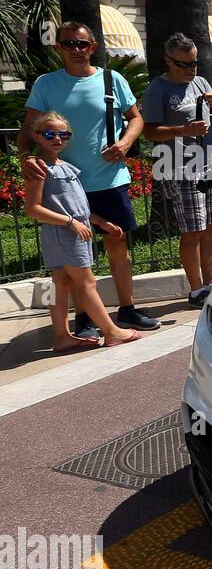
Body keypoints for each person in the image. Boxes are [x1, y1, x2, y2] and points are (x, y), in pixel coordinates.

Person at [21, 21, 159, 336]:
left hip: (109, 179)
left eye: (82, 44)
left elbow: (136, 118)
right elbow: (29, 128)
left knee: (117, 242)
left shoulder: (113, 79)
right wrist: (26, 158)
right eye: (68, 44)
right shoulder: (45, 84)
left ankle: (127, 310)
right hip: (65, 184)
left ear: (92, 47)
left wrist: (125, 144)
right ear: (58, 47)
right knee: (73, 259)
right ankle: (83, 320)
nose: (76, 49)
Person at [22, 112, 143, 350]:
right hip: (66, 233)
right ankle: (111, 331)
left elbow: (79, 207)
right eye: (50, 134)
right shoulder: (38, 168)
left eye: (63, 134)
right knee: (86, 282)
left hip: (69, 230)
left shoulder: (66, 167)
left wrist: (99, 222)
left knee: (59, 283)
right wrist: (70, 223)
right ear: (37, 137)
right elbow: (32, 209)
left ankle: (61, 336)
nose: (57, 139)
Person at [141, 32, 212, 309]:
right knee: (192, 231)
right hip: (180, 166)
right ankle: (196, 291)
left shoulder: (202, 82)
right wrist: (183, 130)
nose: (189, 70)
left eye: (193, 64)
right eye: (183, 64)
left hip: (209, 163)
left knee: (210, 228)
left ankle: (211, 284)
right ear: (167, 61)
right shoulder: (157, 89)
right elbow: (148, 133)